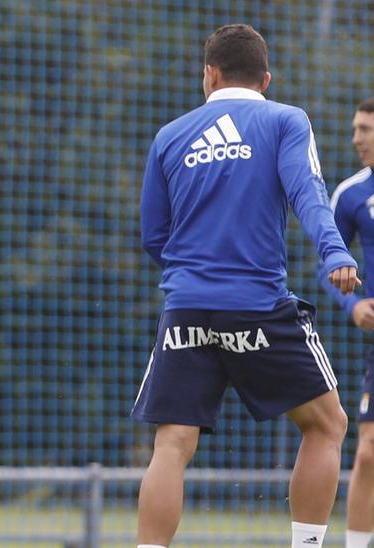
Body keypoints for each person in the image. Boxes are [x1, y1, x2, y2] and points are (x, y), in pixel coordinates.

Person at [133, 23, 360, 548]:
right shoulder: (284, 120)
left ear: (209, 75)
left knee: (171, 444)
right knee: (327, 424)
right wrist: (334, 251)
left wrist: (193, 274)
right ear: (266, 78)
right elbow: (308, 190)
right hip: (256, 304)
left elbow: (153, 235)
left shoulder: (170, 135)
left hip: (185, 308)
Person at [325, 98, 374, 548]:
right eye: (356, 128)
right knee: (368, 455)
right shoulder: (351, 194)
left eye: (365, 129)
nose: (356, 138)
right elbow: (329, 266)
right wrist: (353, 306)